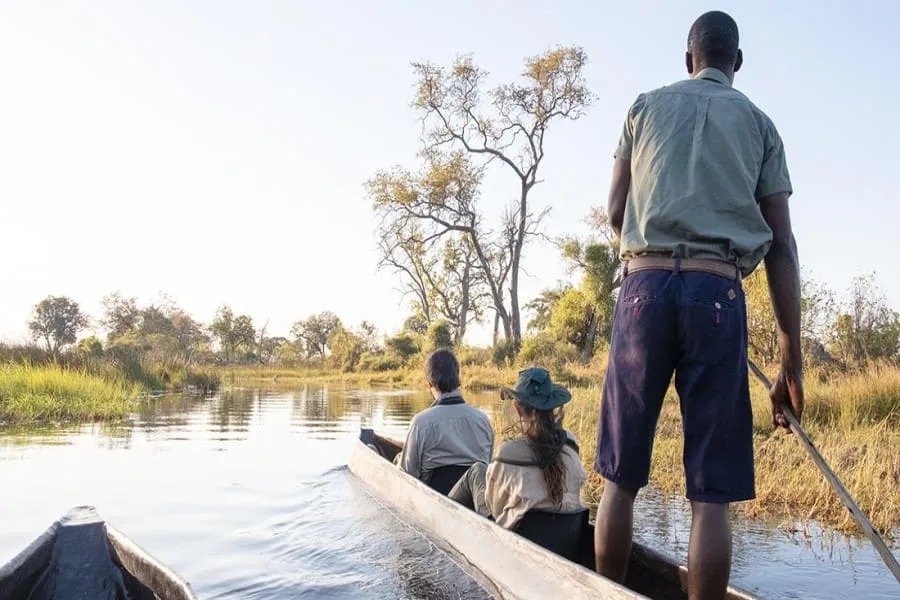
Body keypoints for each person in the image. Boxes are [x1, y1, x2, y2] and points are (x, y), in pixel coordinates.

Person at [593, 10, 804, 600]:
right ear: (735, 63)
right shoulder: (760, 124)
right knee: (710, 496)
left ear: (688, 60)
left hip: (643, 291)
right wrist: (790, 361)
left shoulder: (643, 107)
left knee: (619, 479)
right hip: (718, 294)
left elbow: (615, 213)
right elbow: (781, 244)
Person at [448, 367, 585, 529]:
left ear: (518, 407)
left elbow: (495, 508)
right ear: (553, 406)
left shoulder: (508, 453)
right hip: (564, 536)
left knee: (477, 469)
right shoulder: (570, 443)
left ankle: (441, 516)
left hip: (513, 540)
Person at [397, 348, 493, 492]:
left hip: (434, 501)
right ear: (457, 378)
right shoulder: (483, 420)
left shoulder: (421, 423)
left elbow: (407, 476)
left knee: (399, 459)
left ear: (429, 382)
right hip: (474, 502)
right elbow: (488, 465)